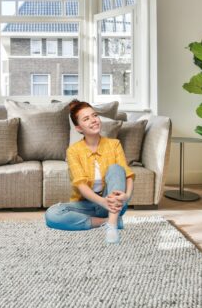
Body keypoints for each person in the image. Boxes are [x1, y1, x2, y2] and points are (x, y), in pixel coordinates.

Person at [45, 100, 135, 244]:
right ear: (79, 128)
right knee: (52, 215)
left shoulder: (114, 144)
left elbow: (128, 175)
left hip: (115, 202)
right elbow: (81, 185)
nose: (93, 120)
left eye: (94, 116)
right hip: (88, 204)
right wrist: (103, 203)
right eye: (86, 119)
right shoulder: (73, 151)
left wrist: (127, 196)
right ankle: (107, 221)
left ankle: (111, 226)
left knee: (116, 169)